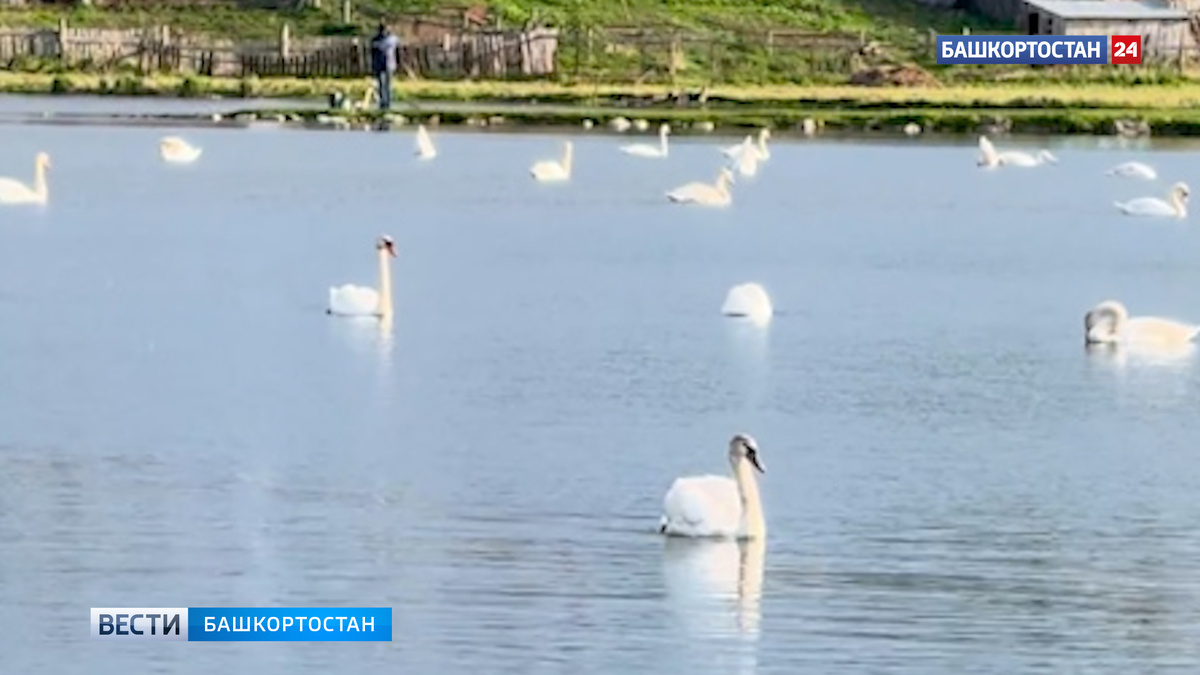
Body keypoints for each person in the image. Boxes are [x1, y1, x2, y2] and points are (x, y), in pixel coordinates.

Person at [370, 22, 400, 111]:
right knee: (381, 85)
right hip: (380, 65)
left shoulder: (392, 39)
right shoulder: (376, 40)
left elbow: (397, 50)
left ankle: (388, 104)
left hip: (389, 65)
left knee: (388, 85)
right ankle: (383, 104)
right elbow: (373, 53)